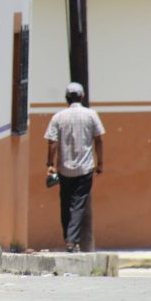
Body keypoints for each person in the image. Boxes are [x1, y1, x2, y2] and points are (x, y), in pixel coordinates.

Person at [44, 82, 105, 253]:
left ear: (66, 98)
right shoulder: (91, 115)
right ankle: (72, 240)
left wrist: (50, 164)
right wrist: (100, 163)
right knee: (78, 204)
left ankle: (69, 239)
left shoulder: (58, 117)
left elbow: (52, 142)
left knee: (65, 204)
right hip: (85, 168)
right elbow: (99, 139)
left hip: (64, 169)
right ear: (82, 97)